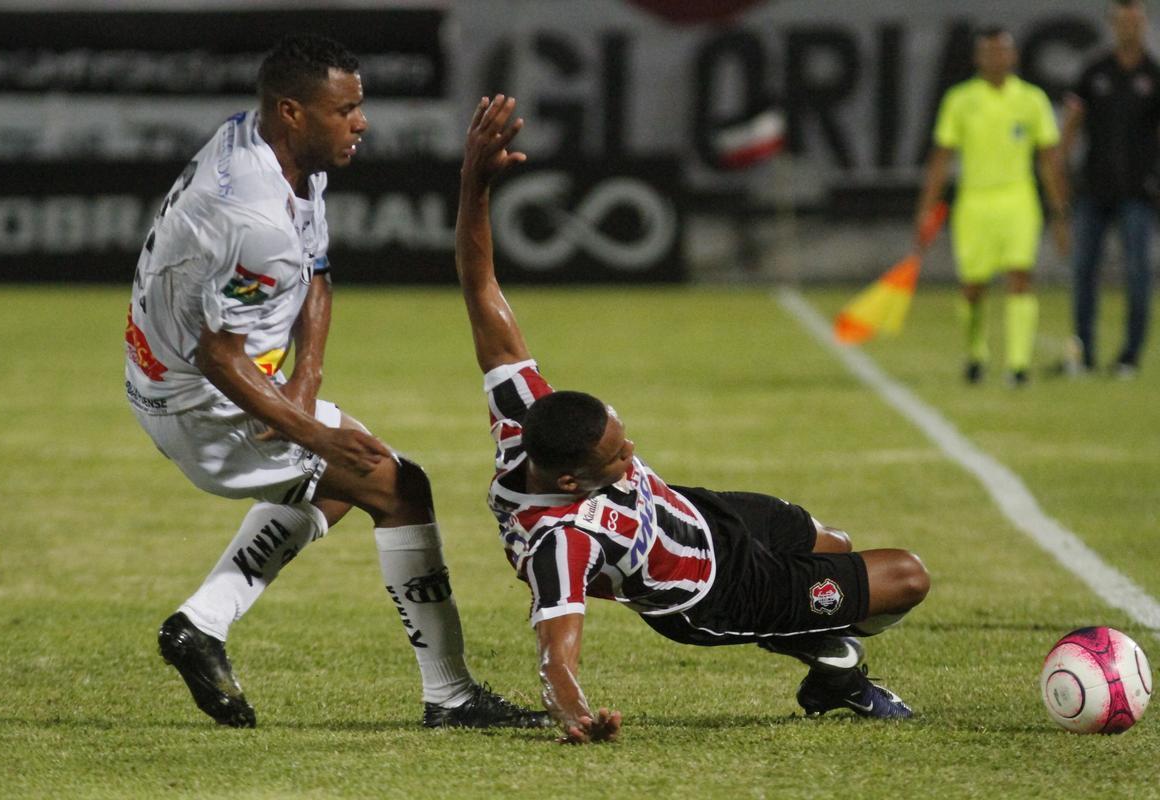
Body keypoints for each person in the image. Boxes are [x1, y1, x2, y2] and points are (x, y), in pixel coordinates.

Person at [454, 95, 931, 744]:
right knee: (907, 577)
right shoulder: (560, 541)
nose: (632, 455)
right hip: (716, 591)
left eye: (623, 440)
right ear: (570, 483)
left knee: (835, 546)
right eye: (617, 458)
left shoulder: (524, 422)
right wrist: (575, 715)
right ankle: (837, 671)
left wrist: (475, 183)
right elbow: (555, 655)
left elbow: (480, 287)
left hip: (703, 512)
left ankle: (821, 646)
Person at [124, 34, 547, 730]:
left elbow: (316, 271)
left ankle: (201, 624)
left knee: (341, 484)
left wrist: (306, 377)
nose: (362, 122)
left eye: (360, 105)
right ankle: (450, 696)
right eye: (345, 109)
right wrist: (314, 432)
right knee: (397, 486)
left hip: (186, 372)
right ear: (292, 112)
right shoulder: (251, 217)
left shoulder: (279, 153)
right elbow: (218, 357)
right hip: (202, 399)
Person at [916, 26, 1070, 386]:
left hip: (1018, 199)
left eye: (1002, 51)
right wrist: (926, 209)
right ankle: (976, 353)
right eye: (988, 52)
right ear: (977, 58)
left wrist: (1060, 212)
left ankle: (1018, 365)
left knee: (1020, 277)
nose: (996, 58)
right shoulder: (960, 100)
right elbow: (942, 157)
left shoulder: (1031, 99)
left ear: (1013, 56)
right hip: (974, 201)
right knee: (973, 287)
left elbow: (1049, 159)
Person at [1060, 0, 1159, 379]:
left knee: (1138, 273)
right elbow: (1071, 125)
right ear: (1112, 25)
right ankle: (1083, 353)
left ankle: (1129, 357)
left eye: (1134, 20)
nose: (1128, 27)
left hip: (1138, 191)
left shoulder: (1154, 75)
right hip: (1094, 188)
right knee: (1084, 271)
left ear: (1144, 24)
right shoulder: (1095, 70)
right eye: (1121, 21)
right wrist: (1062, 171)